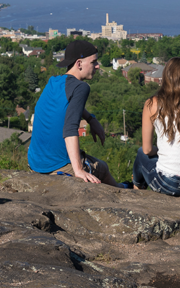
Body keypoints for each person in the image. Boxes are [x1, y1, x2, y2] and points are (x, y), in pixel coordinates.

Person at [28, 40, 130, 188]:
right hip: (57, 167)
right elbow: (70, 128)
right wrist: (78, 170)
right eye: (94, 62)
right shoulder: (81, 87)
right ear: (79, 63)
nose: (97, 66)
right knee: (102, 168)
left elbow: (66, 106)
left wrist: (90, 119)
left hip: (35, 163)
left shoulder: (53, 82)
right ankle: (121, 192)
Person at [132, 57, 180, 196]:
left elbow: (147, 149)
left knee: (140, 154)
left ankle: (137, 191)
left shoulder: (152, 104)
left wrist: (160, 151)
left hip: (168, 183)